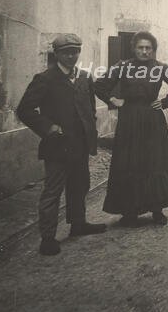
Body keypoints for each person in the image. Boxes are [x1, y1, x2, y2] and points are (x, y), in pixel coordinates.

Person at [17, 34, 106, 256]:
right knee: (53, 191)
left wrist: (90, 128)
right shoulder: (45, 79)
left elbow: (90, 108)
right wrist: (49, 128)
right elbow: (25, 110)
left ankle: (78, 224)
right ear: (56, 54)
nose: (72, 56)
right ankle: (47, 238)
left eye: (75, 51)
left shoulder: (85, 78)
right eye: (66, 52)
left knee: (80, 185)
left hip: (80, 145)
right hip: (57, 147)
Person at [95, 31, 168, 226]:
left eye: (148, 48)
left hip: (152, 120)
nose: (144, 51)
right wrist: (113, 99)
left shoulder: (160, 68)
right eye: (140, 47)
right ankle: (130, 211)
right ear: (134, 48)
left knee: (154, 162)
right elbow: (100, 85)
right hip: (129, 120)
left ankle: (157, 210)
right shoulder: (123, 66)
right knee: (129, 163)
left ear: (153, 50)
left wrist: (164, 102)